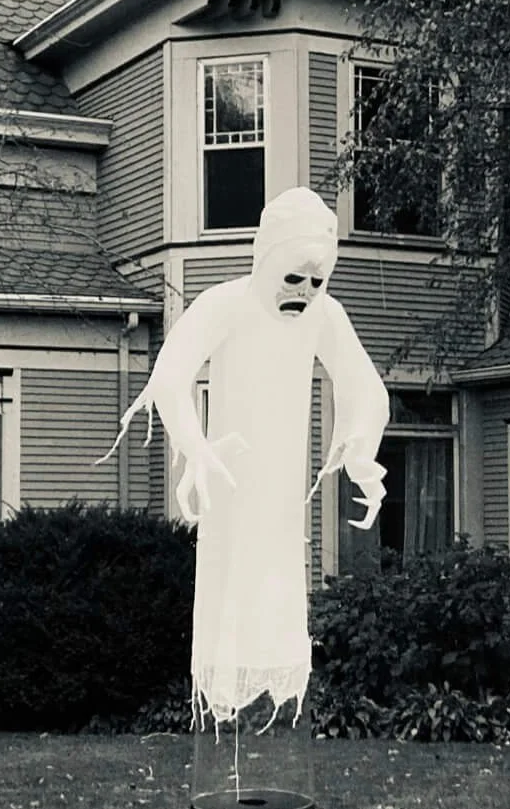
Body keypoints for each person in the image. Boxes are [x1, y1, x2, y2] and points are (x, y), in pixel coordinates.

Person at [106, 186, 389, 723]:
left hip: (282, 494)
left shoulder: (324, 316)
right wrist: (196, 448)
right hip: (232, 487)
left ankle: (275, 711)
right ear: (266, 261)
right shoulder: (225, 303)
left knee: (280, 585)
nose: (304, 292)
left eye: (316, 281)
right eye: (292, 278)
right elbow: (169, 377)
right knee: (231, 583)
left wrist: (361, 448)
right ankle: (226, 723)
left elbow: (366, 386)